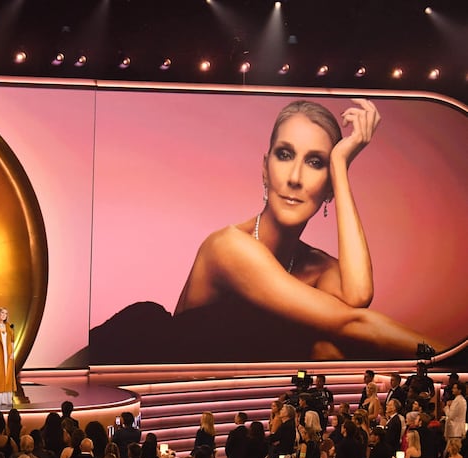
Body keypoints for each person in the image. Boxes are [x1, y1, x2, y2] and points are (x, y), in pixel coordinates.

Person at [85, 99, 443, 365]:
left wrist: (341, 167)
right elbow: (351, 319)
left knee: (328, 350)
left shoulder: (317, 267)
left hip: (231, 409)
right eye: (285, 155)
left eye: (316, 162)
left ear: (329, 184)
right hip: (142, 370)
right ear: (264, 169)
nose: (294, 178)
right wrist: (446, 355)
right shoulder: (229, 247)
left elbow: (358, 296)